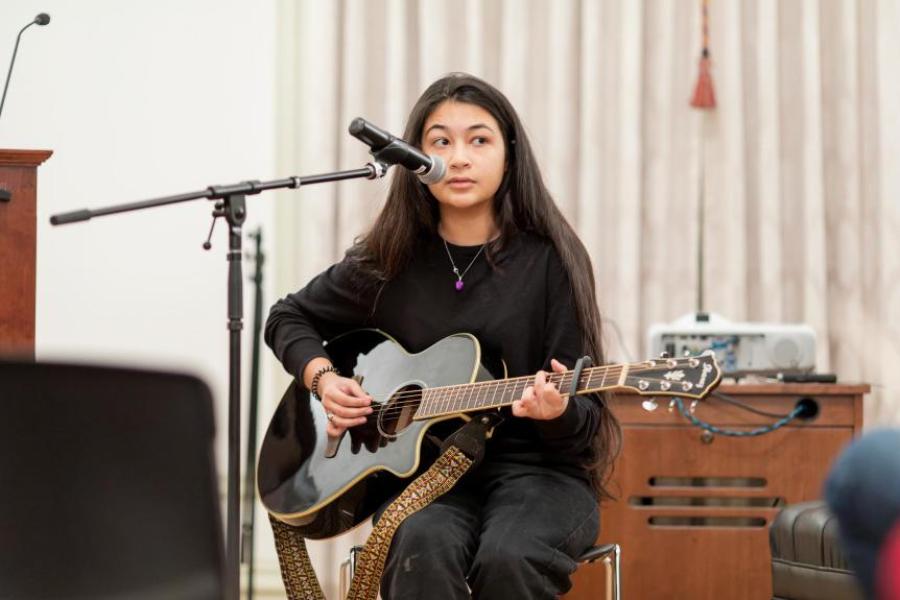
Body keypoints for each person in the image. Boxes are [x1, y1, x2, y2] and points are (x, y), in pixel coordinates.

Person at [265, 72, 620, 599]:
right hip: (425, 477)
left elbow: (586, 424)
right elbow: (287, 316)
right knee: (420, 549)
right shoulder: (389, 258)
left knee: (509, 555)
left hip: (540, 474)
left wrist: (558, 411)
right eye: (439, 142)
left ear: (509, 154)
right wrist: (324, 380)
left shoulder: (552, 261)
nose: (458, 158)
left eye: (479, 139)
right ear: (413, 159)